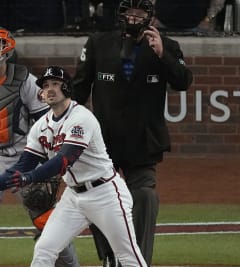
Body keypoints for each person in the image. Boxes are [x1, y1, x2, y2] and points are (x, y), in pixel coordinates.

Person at [0, 65, 148, 267]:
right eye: (46, 85)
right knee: (44, 249)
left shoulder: (80, 118)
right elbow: (22, 166)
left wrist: (29, 178)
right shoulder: (41, 127)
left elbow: (63, 160)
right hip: (74, 198)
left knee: (128, 257)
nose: (50, 89)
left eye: (56, 84)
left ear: (67, 88)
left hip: (105, 194)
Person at [71, 0, 193, 266]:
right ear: (120, 13)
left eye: (140, 11)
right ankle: (109, 256)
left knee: (145, 197)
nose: (134, 16)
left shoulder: (167, 45)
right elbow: (78, 91)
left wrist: (163, 54)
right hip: (104, 142)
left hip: (144, 140)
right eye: (129, 10)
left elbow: (183, 81)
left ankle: (137, 261)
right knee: (95, 198)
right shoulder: (97, 43)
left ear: (150, 15)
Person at [0, 26, 79, 267]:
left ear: (7, 49)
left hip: (27, 153)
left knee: (47, 219)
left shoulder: (26, 81)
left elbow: (49, 124)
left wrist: (49, 165)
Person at [152, 0, 226, 32]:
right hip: (161, 26)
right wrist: (151, 16)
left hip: (197, 28)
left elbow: (218, 2)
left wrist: (208, 18)